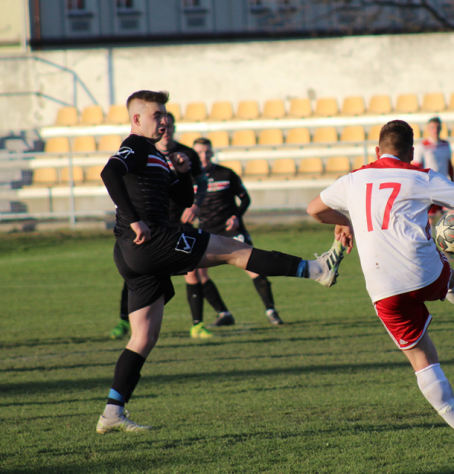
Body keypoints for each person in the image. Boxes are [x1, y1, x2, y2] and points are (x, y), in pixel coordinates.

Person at [97, 90, 345, 434]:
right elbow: (109, 172)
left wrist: (182, 172)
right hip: (147, 240)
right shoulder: (136, 145)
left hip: (131, 253)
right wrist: (134, 218)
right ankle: (316, 270)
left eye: (166, 114)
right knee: (232, 249)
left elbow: (182, 199)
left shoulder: (156, 156)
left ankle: (112, 412)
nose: (164, 121)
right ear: (137, 119)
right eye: (157, 115)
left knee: (143, 336)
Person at [307, 120, 454, 450]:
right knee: (451, 279)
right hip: (421, 269)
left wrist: (347, 222)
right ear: (412, 152)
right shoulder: (420, 176)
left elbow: (314, 209)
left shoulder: (352, 180)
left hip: (381, 286)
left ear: (376, 151)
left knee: (422, 358)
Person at [108, 113, 214, 340]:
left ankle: (198, 324)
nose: (165, 129)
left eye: (169, 125)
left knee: (192, 272)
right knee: (137, 273)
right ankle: (123, 321)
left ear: (173, 127)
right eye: (160, 124)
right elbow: (115, 175)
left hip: (180, 221)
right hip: (150, 226)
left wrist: (195, 204)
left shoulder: (187, 153)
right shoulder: (143, 150)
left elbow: (203, 182)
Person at [184, 137, 283, 332]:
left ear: (212, 153)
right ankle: (223, 314)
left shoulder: (226, 174)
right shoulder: (189, 178)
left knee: (254, 265)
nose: (204, 156)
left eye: (207, 152)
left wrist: (237, 216)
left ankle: (271, 311)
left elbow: (245, 199)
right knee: (196, 272)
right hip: (206, 230)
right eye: (199, 153)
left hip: (231, 229)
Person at [412, 117, 454, 224]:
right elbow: (417, 167)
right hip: (430, 186)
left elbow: (449, 164)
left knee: (452, 215)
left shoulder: (446, 144)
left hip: (444, 186)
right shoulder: (422, 146)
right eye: (432, 127)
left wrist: (453, 182)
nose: (435, 130)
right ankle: (431, 240)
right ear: (428, 129)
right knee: (430, 219)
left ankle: (451, 239)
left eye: (437, 127)